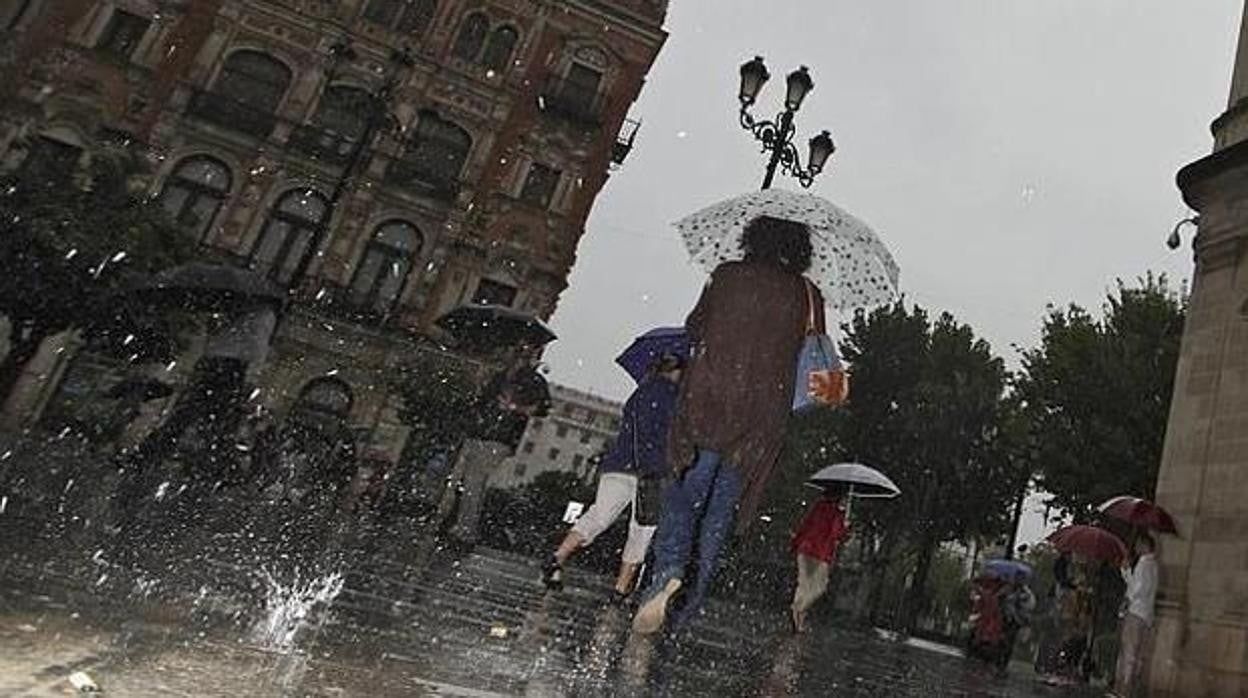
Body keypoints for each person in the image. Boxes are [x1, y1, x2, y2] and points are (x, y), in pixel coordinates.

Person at [632, 215, 826, 635]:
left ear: (751, 238)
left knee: (683, 498)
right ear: (800, 250)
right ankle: (682, 614)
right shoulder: (806, 293)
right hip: (760, 418)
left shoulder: (727, 275)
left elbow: (694, 326)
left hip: (708, 402)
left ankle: (665, 579)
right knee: (719, 516)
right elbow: (813, 352)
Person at [542, 353, 684, 601]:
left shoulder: (641, 392)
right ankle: (621, 588)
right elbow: (665, 435)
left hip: (620, 463)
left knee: (599, 514)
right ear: (677, 370)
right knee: (642, 528)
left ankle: (558, 556)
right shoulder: (673, 398)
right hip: (651, 471)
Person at [439, 346, 551, 546]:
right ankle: (454, 523)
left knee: (474, 480)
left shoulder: (533, 381)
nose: (516, 357)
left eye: (522, 353)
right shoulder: (499, 377)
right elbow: (480, 403)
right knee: (460, 480)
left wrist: (516, 407)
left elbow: (542, 408)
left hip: (499, 437)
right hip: (478, 433)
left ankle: (466, 530)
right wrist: (479, 388)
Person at [788, 488, 851, 633]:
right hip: (821, 554)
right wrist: (846, 527)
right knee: (819, 587)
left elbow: (804, 526)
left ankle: (799, 622)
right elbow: (837, 534)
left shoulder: (816, 507)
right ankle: (798, 608)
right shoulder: (837, 513)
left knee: (804, 585)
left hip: (804, 550)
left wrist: (795, 545)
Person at [1112, 534, 1158, 698]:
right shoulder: (1153, 565)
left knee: (1129, 651)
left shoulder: (1144, 564)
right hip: (1146, 615)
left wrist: (1126, 571)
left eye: (1138, 544)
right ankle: (1129, 689)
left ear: (1144, 545)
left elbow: (1136, 591)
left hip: (1136, 612)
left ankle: (1124, 689)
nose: (1136, 548)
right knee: (1137, 654)